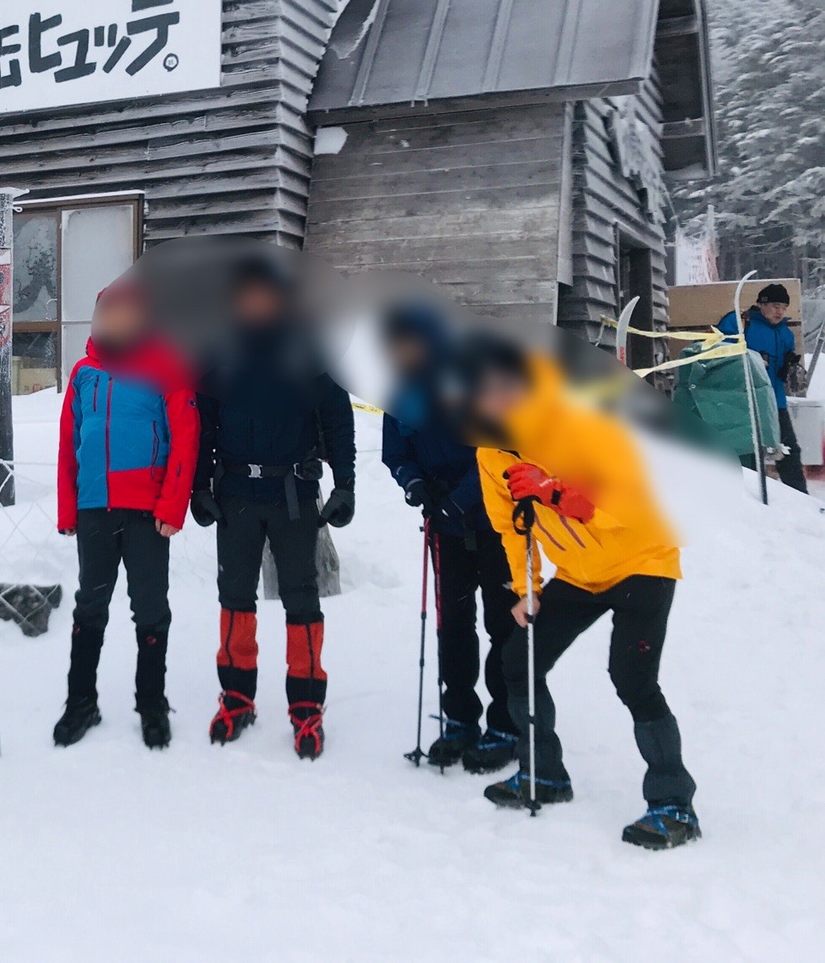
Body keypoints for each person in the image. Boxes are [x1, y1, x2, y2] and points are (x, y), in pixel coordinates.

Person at [466, 337, 700, 850]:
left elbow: (634, 498)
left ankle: (673, 804)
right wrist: (526, 590)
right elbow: (511, 529)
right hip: (578, 572)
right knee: (520, 658)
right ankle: (543, 774)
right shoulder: (490, 453)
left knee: (632, 678)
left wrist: (555, 491)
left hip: (641, 560)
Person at [194, 258, 355, 758]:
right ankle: (237, 697)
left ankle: (306, 709)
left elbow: (337, 418)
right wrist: (199, 486)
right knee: (235, 598)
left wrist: (345, 484)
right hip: (238, 494)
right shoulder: (219, 352)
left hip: (293, 495)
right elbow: (203, 425)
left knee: (302, 600)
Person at [52, 280, 199, 750]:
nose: (115, 322)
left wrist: (173, 506)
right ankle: (81, 704)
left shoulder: (168, 368)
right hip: (94, 507)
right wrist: (68, 507)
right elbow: (68, 447)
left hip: (147, 512)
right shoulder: (83, 373)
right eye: (107, 314)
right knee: (89, 606)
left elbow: (185, 441)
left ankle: (151, 705)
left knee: (150, 610)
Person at [379, 307, 519, 773]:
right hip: (444, 527)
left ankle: (506, 723)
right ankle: (460, 718)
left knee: (504, 624)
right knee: (453, 626)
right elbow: (394, 451)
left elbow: (501, 446)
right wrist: (414, 484)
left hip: (497, 525)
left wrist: (461, 498)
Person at [717, 282, 809, 494]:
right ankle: (746, 496)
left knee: (789, 452)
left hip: (775, 401)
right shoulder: (740, 322)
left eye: (784, 307)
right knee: (748, 451)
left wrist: (791, 369)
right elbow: (717, 352)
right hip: (744, 399)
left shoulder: (785, 333)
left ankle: (802, 499)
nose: (780, 311)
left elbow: (783, 370)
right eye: (775, 305)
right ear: (761, 304)